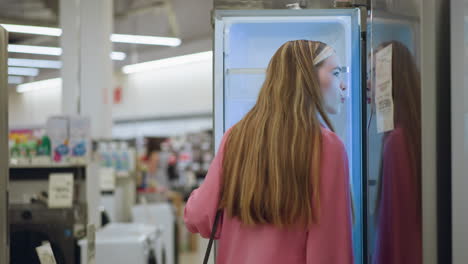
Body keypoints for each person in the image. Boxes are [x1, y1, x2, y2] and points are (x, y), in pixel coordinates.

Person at [184, 40, 353, 264]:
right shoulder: (327, 146)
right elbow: (330, 249)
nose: (343, 85)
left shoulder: (236, 136)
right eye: (336, 73)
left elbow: (198, 216)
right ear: (306, 78)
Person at [372, 41, 422, 264]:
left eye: (374, 74)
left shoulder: (397, 142)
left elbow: (399, 229)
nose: (368, 84)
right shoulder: (412, 132)